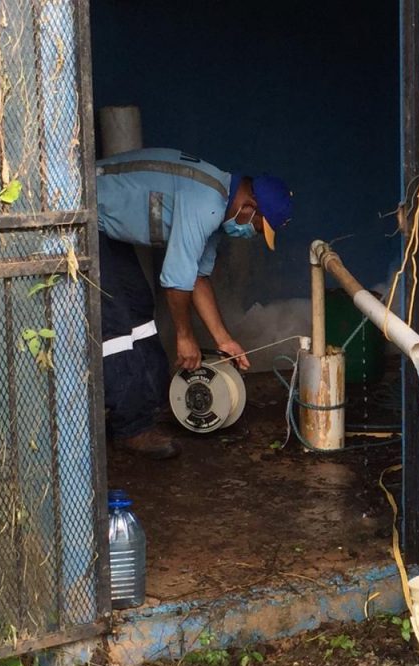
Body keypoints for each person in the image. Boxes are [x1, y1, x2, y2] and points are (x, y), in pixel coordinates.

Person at [96, 147, 293, 459]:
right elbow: (176, 280)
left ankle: (145, 408)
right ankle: (130, 429)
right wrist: (185, 338)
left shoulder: (218, 204)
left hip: (104, 229)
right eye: (257, 228)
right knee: (119, 324)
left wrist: (224, 340)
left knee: (139, 309)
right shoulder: (206, 204)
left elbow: (198, 278)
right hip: (83, 215)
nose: (250, 235)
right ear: (249, 208)